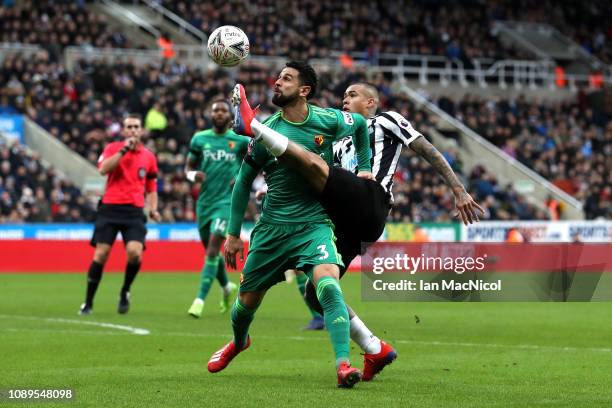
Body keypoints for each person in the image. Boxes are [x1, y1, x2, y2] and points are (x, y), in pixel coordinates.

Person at [232, 82, 484, 381]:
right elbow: (322, 183)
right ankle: (375, 347)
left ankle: (255, 127)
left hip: (370, 198)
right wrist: (277, 193)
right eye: (343, 96)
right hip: (344, 216)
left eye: (352, 95)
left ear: (371, 102)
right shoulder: (337, 140)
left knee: (313, 163)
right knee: (317, 292)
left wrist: (458, 190)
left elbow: (426, 149)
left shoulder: (386, 121)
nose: (345, 100)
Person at [208, 61, 371, 388]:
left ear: (304, 90)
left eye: (286, 78)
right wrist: (233, 234)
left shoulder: (328, 120)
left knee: (328, 285)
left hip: (314, 223)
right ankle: (240, 342)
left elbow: (362, 125)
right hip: (271, 230)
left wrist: (364, 169)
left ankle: (343, 364)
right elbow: (242, 184)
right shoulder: (268, 130)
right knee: (244, 308)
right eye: (278, 77)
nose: (277, 82)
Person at [79, 114, 161, 315]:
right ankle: (88, 302)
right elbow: (103, 170)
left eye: (136, 127)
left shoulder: (149, 156)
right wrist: (124, 150)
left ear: (141, 130)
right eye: (129, 127)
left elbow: (151, 187)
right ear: (124, 131)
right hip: (110, 208)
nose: (133, 130)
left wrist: (153, 208)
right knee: (101, 254)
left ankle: (125, 291)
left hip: (134, 211)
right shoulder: (112, 149)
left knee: (135, 253)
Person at [186, 99, 248, 317]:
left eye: (223, 110)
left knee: (213, 248)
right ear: (210, 115)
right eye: (216, 110)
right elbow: (188, 167)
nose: (220, 113)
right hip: (204, 203)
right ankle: (226, 287)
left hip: (226, 202)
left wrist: (240, 178)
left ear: (229, 115)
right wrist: (193, 175)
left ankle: (199, 300)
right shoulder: (199, 139)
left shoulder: (238, 140)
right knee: (210, 254)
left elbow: (251, 163)